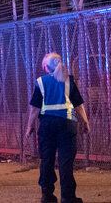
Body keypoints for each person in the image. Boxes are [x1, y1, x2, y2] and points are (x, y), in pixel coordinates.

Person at [26, 52, 91, 203]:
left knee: (47, 160)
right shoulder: (69, 81)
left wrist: (29, 126)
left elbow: (35, 108)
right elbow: (78, 105)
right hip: (67, 125)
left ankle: (47, 195)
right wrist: (86, 122)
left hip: (47, 126)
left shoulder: (41, 82)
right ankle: (68, 197)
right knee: (65, 162)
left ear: (45, 67)